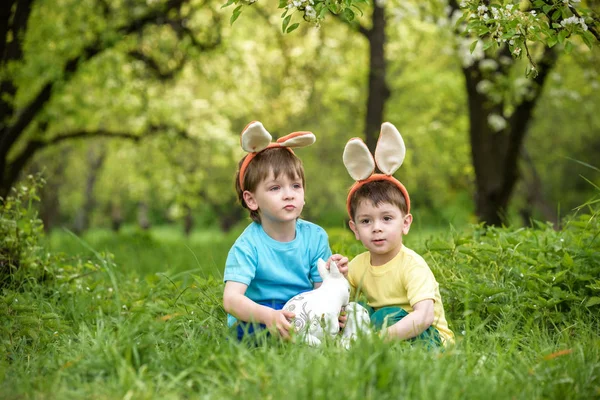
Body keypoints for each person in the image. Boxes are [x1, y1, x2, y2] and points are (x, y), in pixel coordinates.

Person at [223, 121, 348, 342]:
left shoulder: (315, 236)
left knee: (351, 315)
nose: (289, 194)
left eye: (296, 186)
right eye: (275, 188)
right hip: (261, 314)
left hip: (302, 307)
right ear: (251, 200)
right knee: (260, 329)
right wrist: (269, 316)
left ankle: (319, 339)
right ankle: (300, 339)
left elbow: (321, 291)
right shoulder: (248, 245)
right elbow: (231, 300)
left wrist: (332, 295)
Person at [340, 122, 454, 347]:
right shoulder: (358, 266)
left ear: (405, 223)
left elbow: (424, 316)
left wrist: (378, 339)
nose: (377, 228)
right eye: (366, 221)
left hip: (431, 338)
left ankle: (380, 349)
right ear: (355, 229)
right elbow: (341, 300)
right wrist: (337, 275)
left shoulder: (412, 265)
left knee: (384, 315)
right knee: (357, 310)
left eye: (387, 218)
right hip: (390, 337)